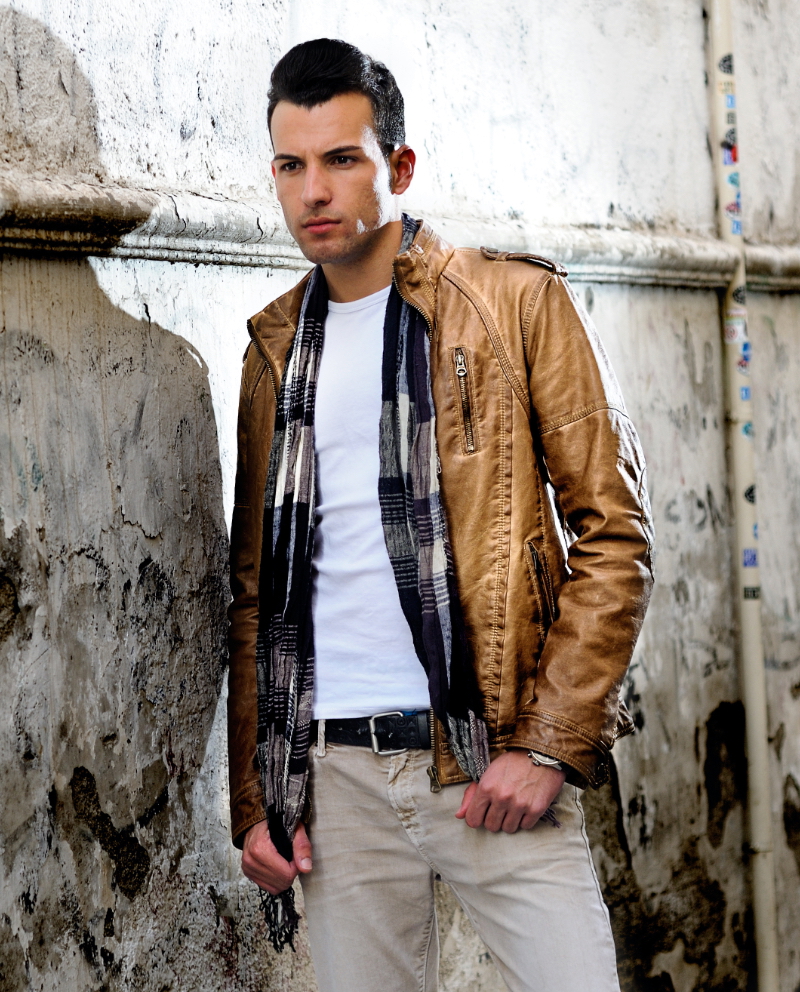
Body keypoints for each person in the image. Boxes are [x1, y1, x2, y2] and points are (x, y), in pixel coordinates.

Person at [227, 37, 654, 992]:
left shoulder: (514, 304)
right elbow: (257, 593)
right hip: (331, 781)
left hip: (486, 758)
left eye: (342, 159)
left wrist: (551, 742)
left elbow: (616, 532)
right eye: (291, 165)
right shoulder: (273, 350)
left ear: (400, 165)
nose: (314, 193)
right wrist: (256, 801)